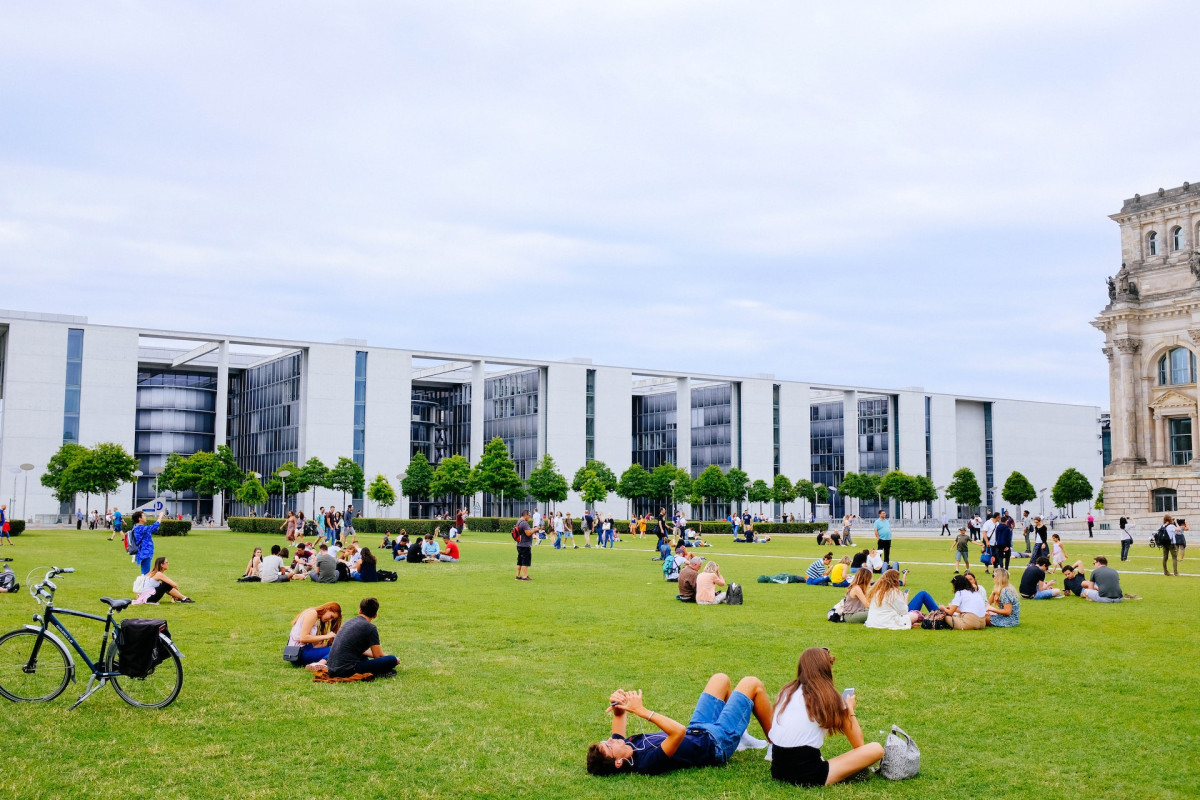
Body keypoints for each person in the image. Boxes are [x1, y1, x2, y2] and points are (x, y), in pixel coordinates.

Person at [585, 673, 772, 776]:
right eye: (609, 746)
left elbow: (618, 718)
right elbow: (678, 732)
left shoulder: (625, 746)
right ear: (618, 763)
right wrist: (643, 712)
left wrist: (617, 704)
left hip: (698, 729)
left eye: (606, 740)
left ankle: (742, 738)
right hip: (716, 743)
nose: (611, 739)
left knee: (720, 679)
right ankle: (777, 745)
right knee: (751, 683)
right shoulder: (646, 763)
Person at [768, 647, 884, 787]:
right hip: (809, 775)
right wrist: (849, 709)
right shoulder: (828, 698)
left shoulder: (786, 692)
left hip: (778, 770)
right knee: (876, 749)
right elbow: (858, 744)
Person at [324, 597, 399, 678]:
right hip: (347, 671)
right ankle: (380, 671)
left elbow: (359, 650)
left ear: (360, 611)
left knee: (364, 657)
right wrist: (394, 659)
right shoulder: (371, 628)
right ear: (375, 615)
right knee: (391, 659)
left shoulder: (349, 622)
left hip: (332, 670)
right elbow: (378, 656)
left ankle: (378, 671)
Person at [287, 602, 342, 666]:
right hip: (300, 653)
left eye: (332, 619)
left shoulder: (314, 616)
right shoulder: (312, 613)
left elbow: (315, 646)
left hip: (298, 653)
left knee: (338, 648)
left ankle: (321, 663)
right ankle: (320, 664)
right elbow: (303, 638)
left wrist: (331, 642)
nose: (330, 620)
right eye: (331, 617)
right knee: (339, 650)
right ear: (328, 609)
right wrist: (327, 636)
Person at [130, 510, 165, 575]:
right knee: (145, 574)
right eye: (144, 516)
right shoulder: (140, 528)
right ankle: (143, 584)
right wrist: (159, 517)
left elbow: (154, 529)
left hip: (145, 552)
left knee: (146, 572)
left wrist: (160, 521)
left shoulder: (138, 527)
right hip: (145, 553)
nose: (145, 517)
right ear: (140, 518)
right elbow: (153, 527)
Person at [515, 509, 534, 581]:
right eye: (529, 515)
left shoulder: (519, 522)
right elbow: (528, 533)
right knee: (525, 561)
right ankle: (525, 576)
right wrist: (535, 530)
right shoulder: (524, 523)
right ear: (525, 515)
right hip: (525, 545)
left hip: (519, 544)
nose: (530, 516)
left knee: (519, 560)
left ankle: (518, 575)